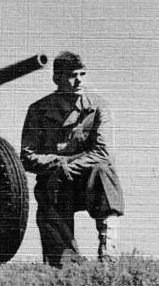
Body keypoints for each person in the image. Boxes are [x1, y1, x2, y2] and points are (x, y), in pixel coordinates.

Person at [21, 51, 124, 267]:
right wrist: (57, 164)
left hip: (87, 182)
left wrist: (67, 165)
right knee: (62, 265)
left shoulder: (98, 108)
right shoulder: (38, 110)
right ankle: (66, 263)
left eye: (82, 74)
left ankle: (109, 252)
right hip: (55, 184)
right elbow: (27, 156)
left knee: (104, 172)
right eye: (71, 75)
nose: (79, 80)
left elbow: (103, 153)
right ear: (56, 78)